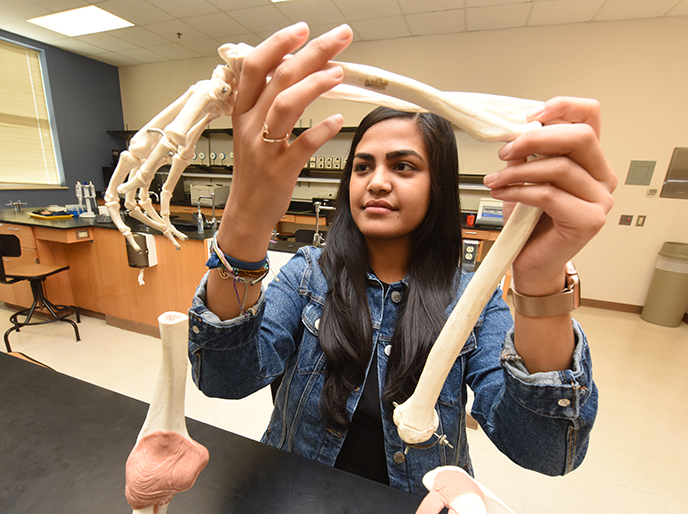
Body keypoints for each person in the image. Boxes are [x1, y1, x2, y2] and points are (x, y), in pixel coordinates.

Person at [187, 22, 616, 499]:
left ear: (440, 186)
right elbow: (223, 380)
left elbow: (546, 450)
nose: (376, 181)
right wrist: (244, 224)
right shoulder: (308, 274)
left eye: (403, 166)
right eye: (363, 166)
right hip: (295, 496)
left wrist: (539, 279)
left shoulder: (471, 302)